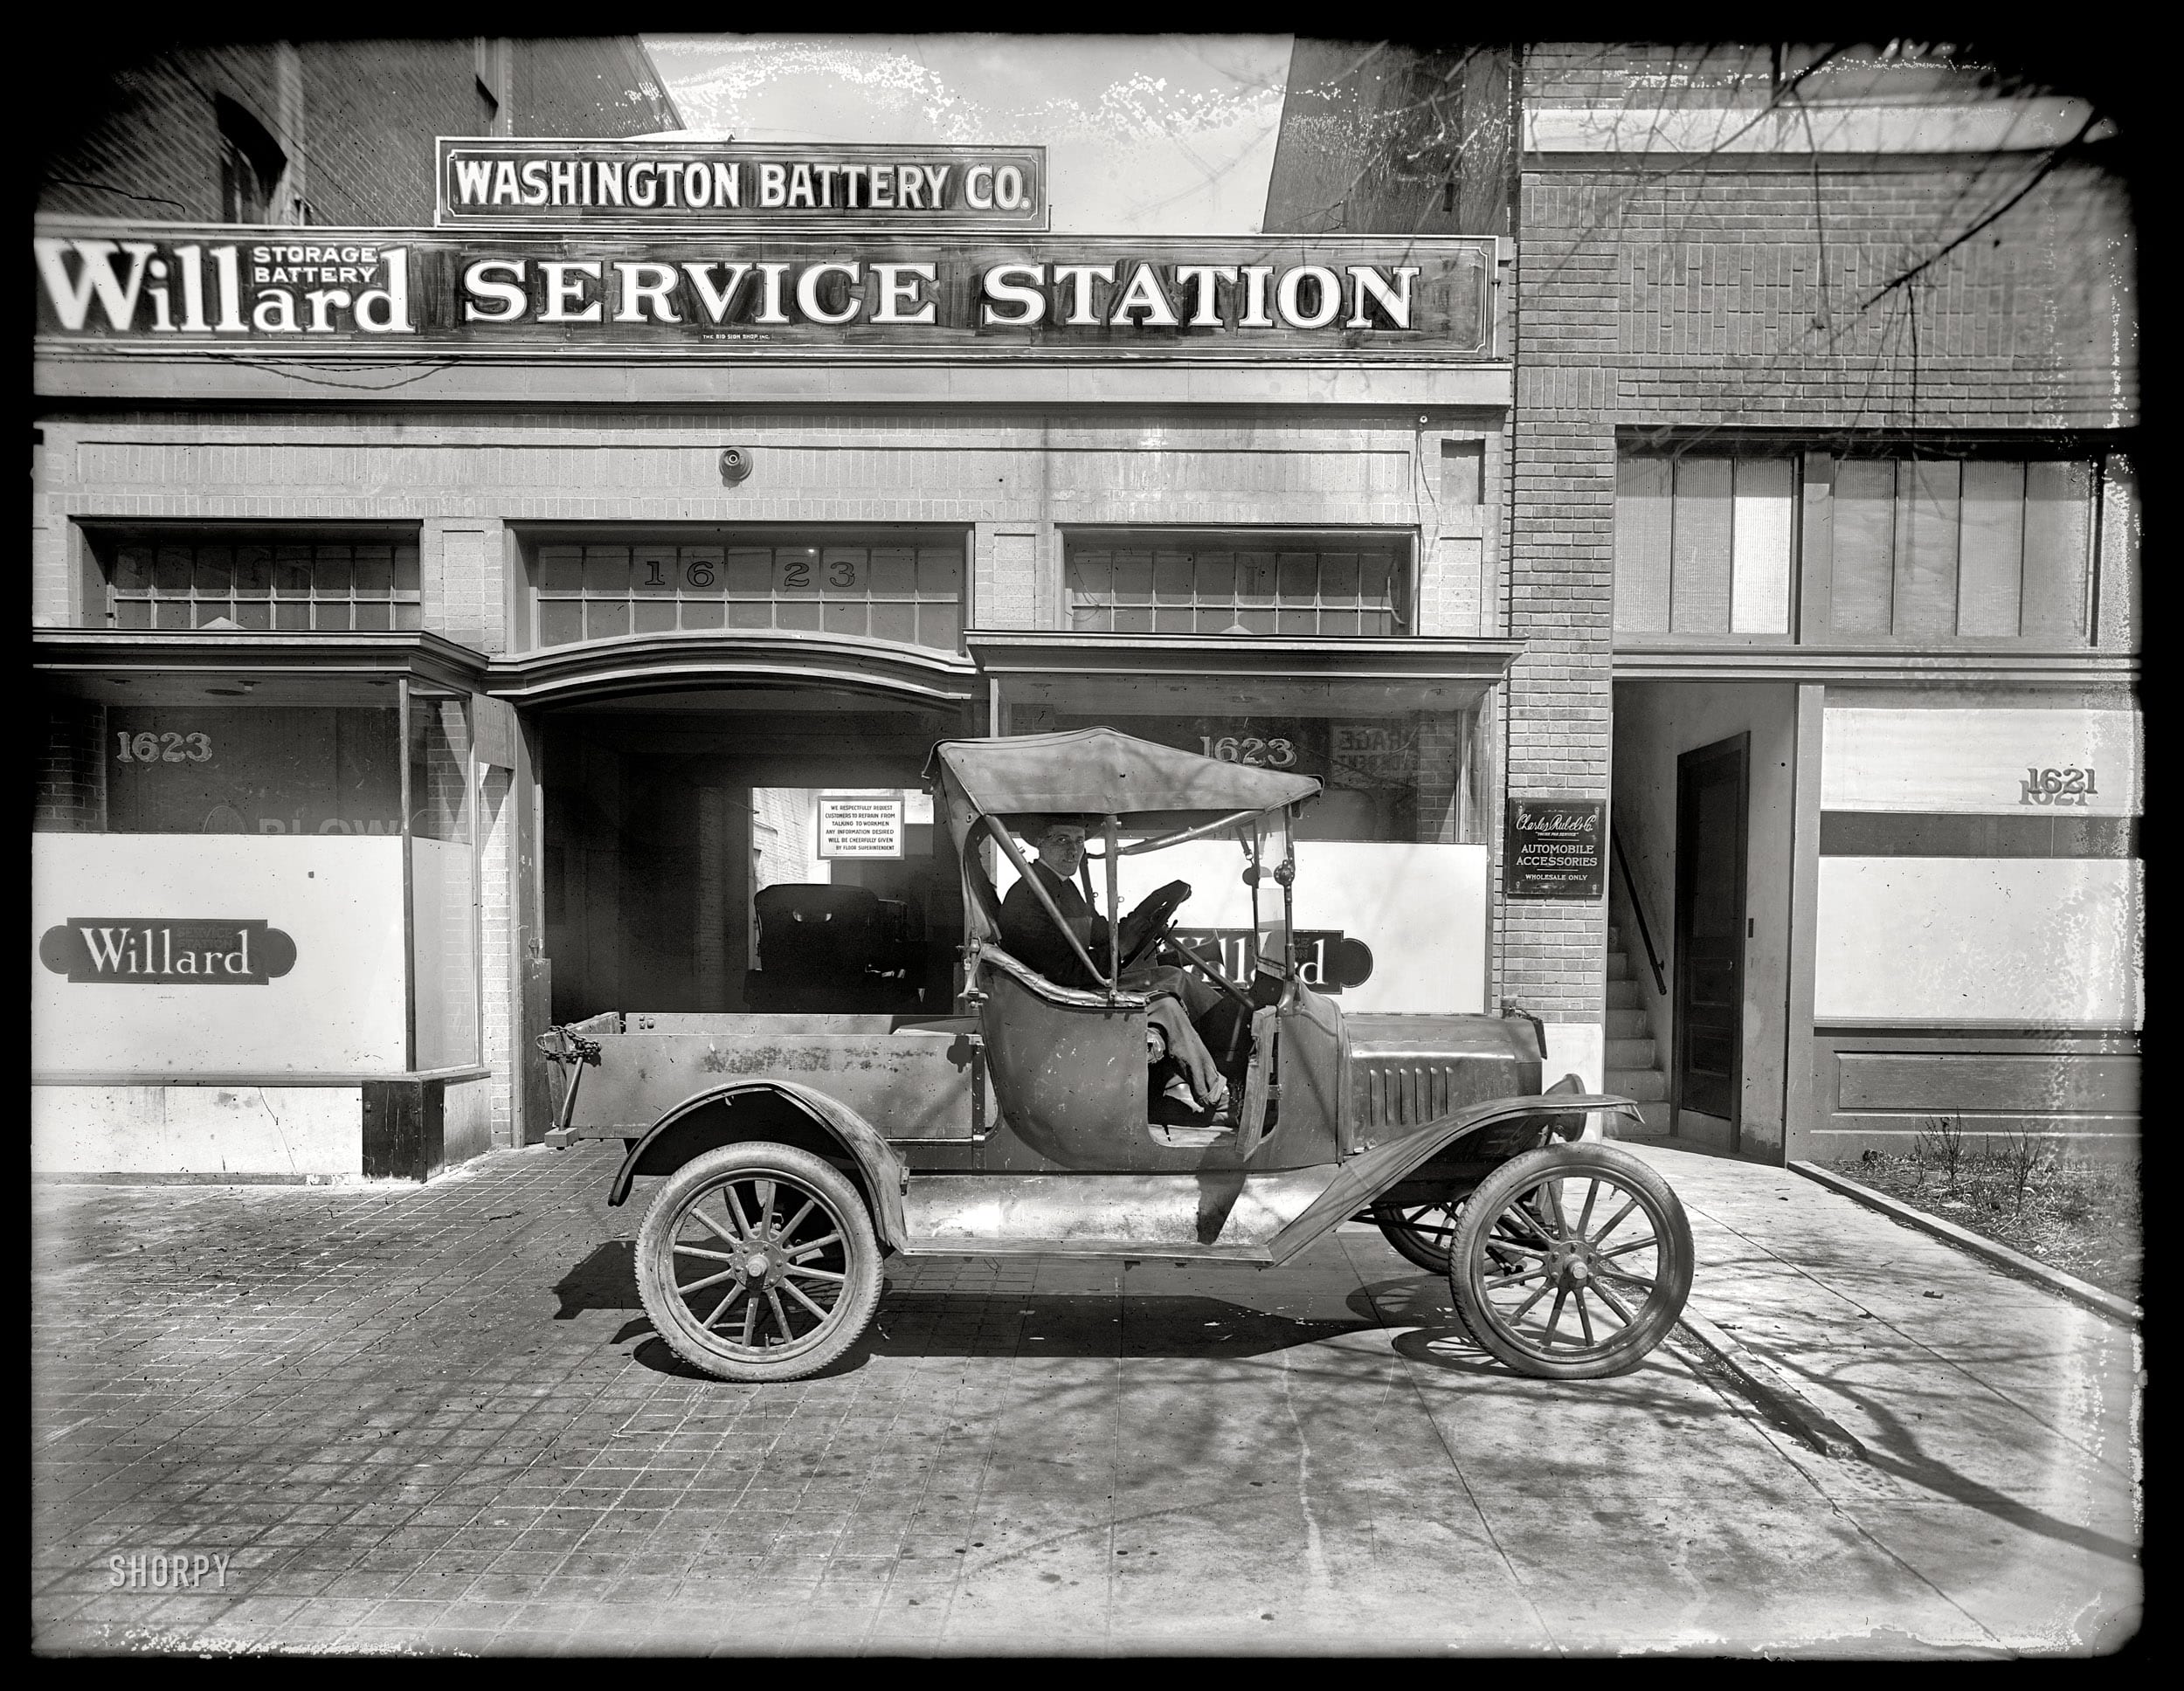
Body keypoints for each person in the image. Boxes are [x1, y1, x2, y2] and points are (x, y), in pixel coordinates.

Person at [996, 818, 1233, 1115]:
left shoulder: (1061, 887)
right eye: (1062, 840)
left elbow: (1096, 931)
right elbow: (1063, 972)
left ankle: (1235, 1047)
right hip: (1060, 1003)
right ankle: (1215, 1096)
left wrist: (1134, 924)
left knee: (1174, 977)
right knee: (1165, 1007)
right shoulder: (1029, 896)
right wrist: (1119, 948)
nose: (1073, 851)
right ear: (1039, 843)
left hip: (1077, 985)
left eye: (1079, 841)